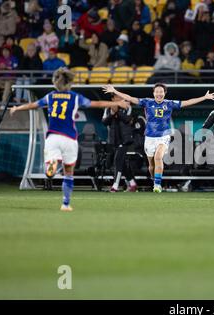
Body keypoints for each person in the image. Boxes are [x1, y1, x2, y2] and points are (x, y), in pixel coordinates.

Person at [9, 68, 129, 211]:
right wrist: (116, 104)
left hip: (53, 136)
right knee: (68, 172)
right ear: (70, 83)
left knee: (52, 164)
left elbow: (33, 105)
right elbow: (96, 103)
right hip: (69, 138)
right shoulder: (74, 97)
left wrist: (17, 108)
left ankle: (51, 165)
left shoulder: (50, 96)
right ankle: (65, 204)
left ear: (55, 83)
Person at [102, 83, 214, 192]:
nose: (159, 94)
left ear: (165, 93)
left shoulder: (169, 103)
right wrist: (114, 91)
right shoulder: (147, 102)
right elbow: (130, 98)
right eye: (157, 91)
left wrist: (204, 97)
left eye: (161, 91)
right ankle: (154, 179)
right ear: (153, 93)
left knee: (158, 157)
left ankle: (157, 184)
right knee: (151, 166)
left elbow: (187, 102)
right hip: (149, 138)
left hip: (163, 136)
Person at [102, 93, 138, 193]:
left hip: (125, 140)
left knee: (118, 161)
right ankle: (132, 183)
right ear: (113, 99)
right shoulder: (108, 108)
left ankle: (115, 186)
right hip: (113, 140)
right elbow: (104, 122)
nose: (120, 99)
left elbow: (128, 120)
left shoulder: (127, 107)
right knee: (118, 163)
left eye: (121, 97)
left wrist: (117, 111)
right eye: (117, 97)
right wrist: (112, 114)